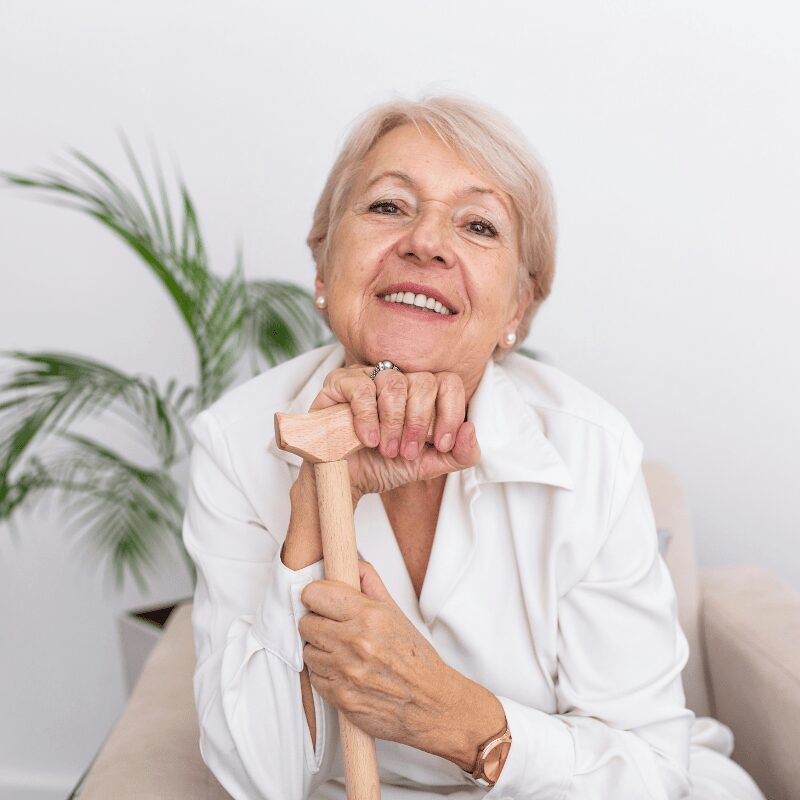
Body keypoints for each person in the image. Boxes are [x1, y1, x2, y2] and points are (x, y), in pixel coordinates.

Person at [182, 96, 766, 799]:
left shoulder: (591, 448)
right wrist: (311, 506)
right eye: (388, 207)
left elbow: (650, 773)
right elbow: (258, 777)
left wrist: (459, 721)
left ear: (517, 307)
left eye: (477, 224)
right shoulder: (234, 441)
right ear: (322, 262)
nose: (426, 242)